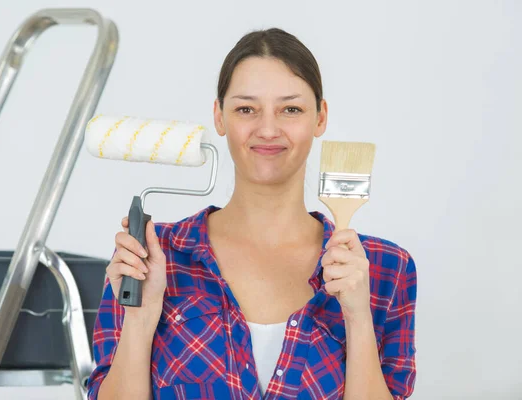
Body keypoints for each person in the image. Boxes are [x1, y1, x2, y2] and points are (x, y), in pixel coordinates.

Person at [87, 28, 417, 400]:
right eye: (246, 109)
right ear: (220, 116)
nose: (268, 129)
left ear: (320, 118)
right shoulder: (154, 256)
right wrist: (140, 317)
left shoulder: (385, 269)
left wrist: (358, 318)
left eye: (290, 109)